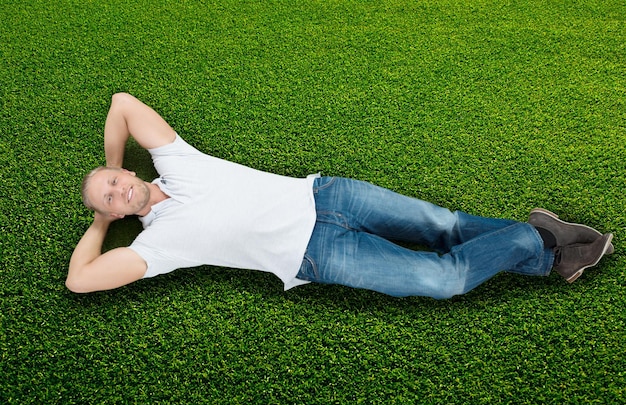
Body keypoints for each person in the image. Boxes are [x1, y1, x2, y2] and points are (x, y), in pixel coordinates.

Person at [67, 93, 614, 298]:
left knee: (445, 224)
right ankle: (538, 239)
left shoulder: (176, 164)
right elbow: (80, 279)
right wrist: (99, 225)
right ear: (113, 212)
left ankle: (546, 255)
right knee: (441, 279)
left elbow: (122, 103)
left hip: (333, 197)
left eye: (114, 181)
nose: (119, 190)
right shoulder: (157, 245)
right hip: (318, 255)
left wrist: (112, 166)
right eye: (109, 197)